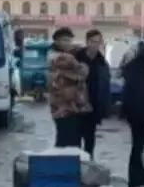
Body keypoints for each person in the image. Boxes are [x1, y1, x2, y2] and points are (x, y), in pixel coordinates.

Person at [121, 46, 144, 187]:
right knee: (138, 148)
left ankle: (140, 177)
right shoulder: (140, 75)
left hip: (134, 115)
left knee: (138, 147)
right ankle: (136, 181)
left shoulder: (133, 71)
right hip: (140, 116)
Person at [47, 27, 91, 147]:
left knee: (64, 137)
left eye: (69, 40)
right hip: (65, 105)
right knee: (68, 140)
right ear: (57, 41)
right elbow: (82, 73)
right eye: (64, 40)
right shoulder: (63, 58)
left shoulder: (54, 55)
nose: (68, 43)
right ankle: (64, 164)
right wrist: (84, 65)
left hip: (63, 104)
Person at [74, 29, 111, 159]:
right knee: (74, 142)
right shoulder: (76, 58)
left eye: (98, 42)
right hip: (75, 108)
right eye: (92, 41)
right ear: (87, 42)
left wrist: (104, 109)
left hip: (93, 108)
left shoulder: (102, 63)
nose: (95, 45)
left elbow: (105, 87)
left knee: (90, 141)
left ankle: (89, 165)